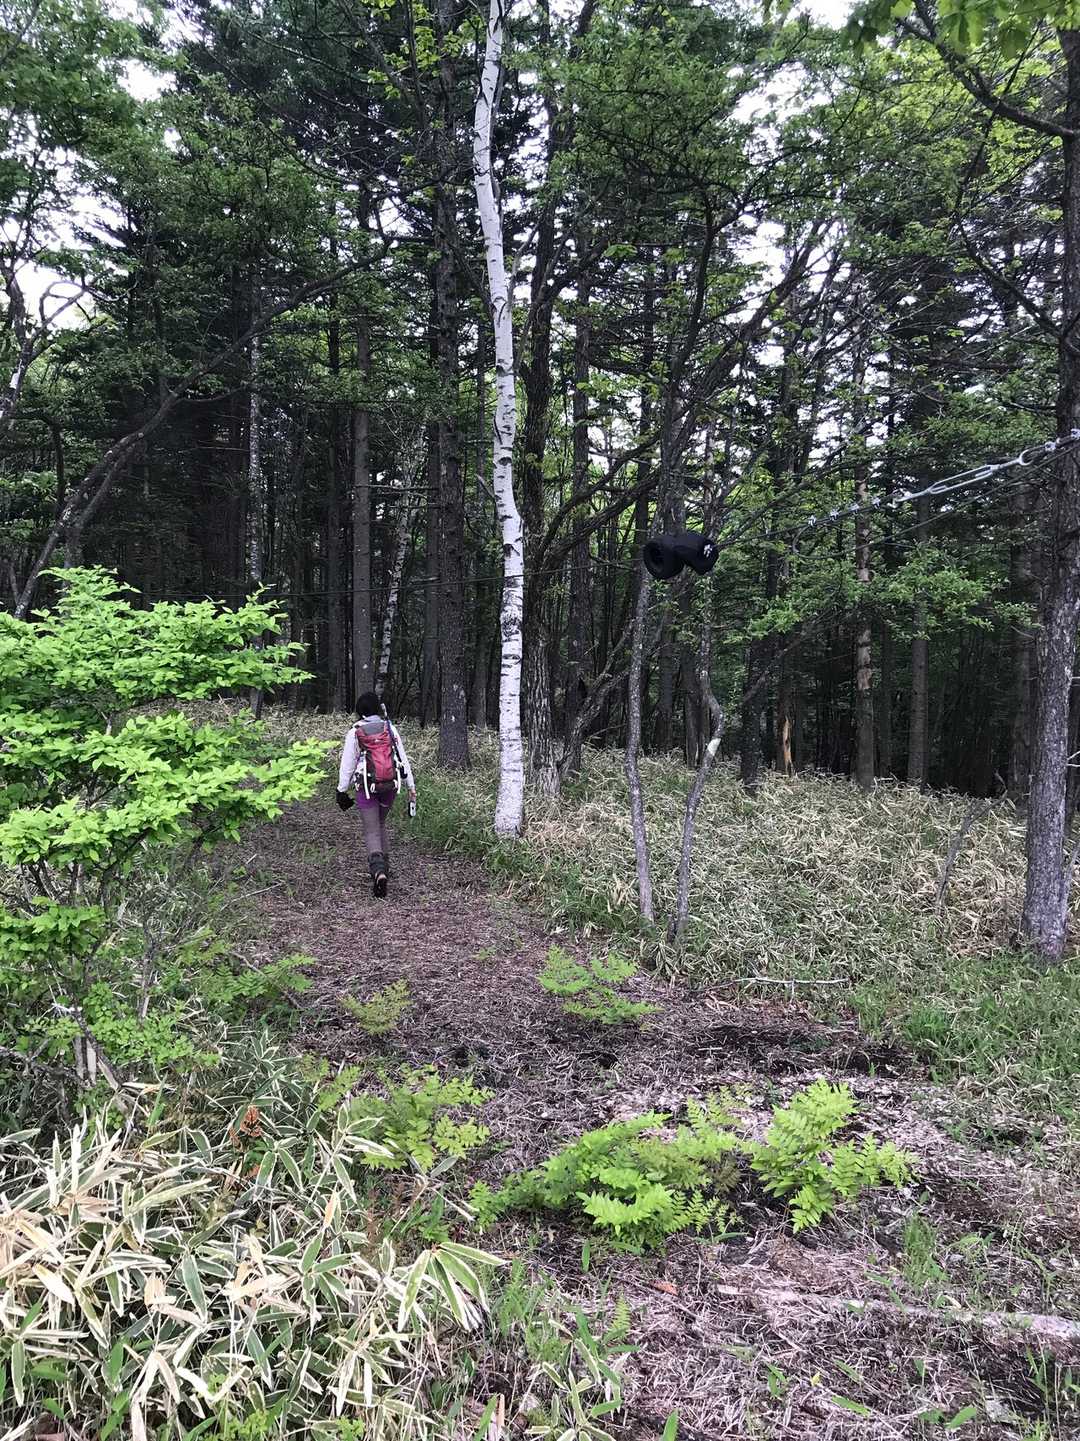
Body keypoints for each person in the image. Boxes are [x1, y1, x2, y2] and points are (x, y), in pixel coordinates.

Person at [335, 692, 416, 898]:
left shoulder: (355, 732)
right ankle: (385, 867)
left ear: (359, 710)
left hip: (366, 786)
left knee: (371, 829)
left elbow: (348, 764)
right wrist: (411, 786)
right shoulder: (389, 728)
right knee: (380, 824)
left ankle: (378, 872)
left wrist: (341, 790)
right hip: (390, 785)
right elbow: (402, 758)